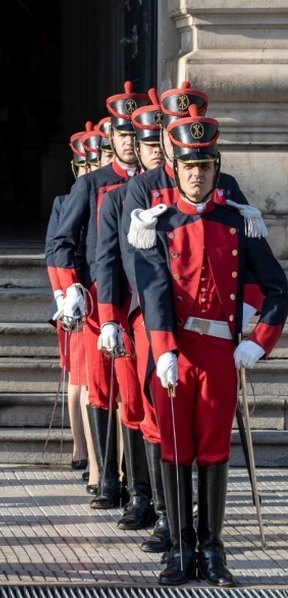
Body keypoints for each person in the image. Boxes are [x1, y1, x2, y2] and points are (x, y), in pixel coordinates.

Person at [132, 106, 288, 586]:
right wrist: (162, 352)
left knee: (215, 451)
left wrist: (258, 342)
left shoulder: (240, 222)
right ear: (174, 167)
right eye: (189, 166)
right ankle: (180, 550)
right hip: (175, 353)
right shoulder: (155, 225)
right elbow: (153, 292)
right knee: (177, 449)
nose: (197, 175)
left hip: (221, 352)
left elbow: (278, 290)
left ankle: (212, 550)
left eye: (205, 166)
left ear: (215, 169)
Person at [53, 81, 148, 511]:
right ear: (112, 139)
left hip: (143, 302)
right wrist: (70, 286)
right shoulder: (93, 183)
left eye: (136, 134)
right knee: (101, 389)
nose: (130, 143)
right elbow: (62, 241)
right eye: (124, 135)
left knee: (136, 392)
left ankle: (137, 482)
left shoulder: (155, 182)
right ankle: (107, 476)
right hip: (99, 297)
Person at [94, 88, 165, 532]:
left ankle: (169, 502)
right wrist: (108, 319)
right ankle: (142, 495)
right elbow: (106, 260)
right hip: (133, 312)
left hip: (178, 320)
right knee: (136, 406)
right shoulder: (120, 197)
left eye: (162, 141)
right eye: (150, 142)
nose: (157, 150)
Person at [44, 128, 89, 481]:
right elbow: (54, 251)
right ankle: (79, 446)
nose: (89, 171)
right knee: (76, 376)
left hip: (98, 294)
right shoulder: (63, 203)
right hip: (72, 298)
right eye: (83, 165)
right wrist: (63, 295)